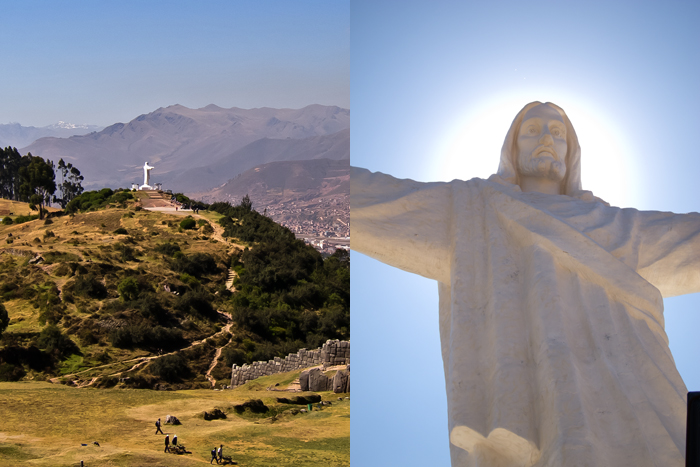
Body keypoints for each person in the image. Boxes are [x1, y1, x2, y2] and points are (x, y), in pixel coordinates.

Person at [351, 102, 700, 466]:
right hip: (542, 418)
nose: (547, 138)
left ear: (571, 151)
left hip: (642, 402)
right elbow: (378, 198)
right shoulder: (474, 209)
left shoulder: (617, 227)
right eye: (532, 130)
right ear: (512, 148)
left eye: (558, 133)